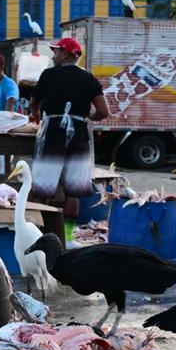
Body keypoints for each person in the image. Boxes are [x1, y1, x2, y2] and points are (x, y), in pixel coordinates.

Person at [29, 37, 108, 217]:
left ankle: (45, 233)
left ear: (65, 53)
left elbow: (34, 102)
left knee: (43, 190)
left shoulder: (48, 75)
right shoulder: (89, 78)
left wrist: (36, 116)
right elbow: (103, 111)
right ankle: (68, 237)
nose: (53, 56)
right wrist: (86, 118)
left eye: (55, 52)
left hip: (52, 134)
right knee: (73, 192)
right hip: (79, 136)